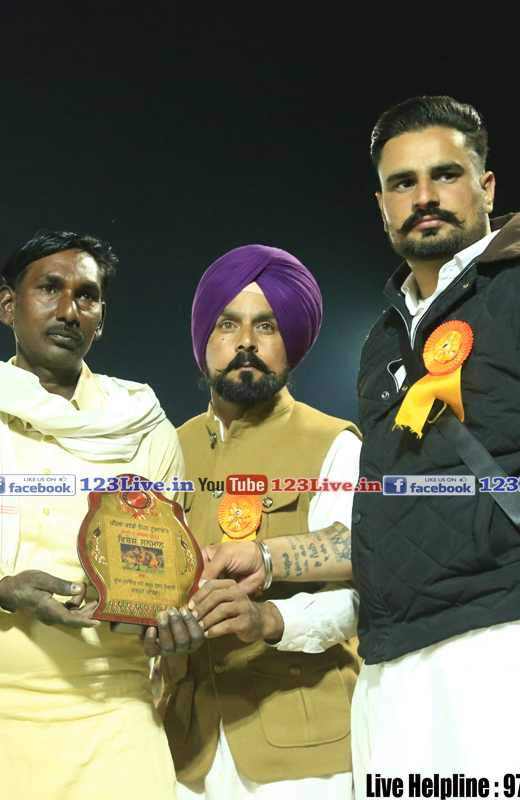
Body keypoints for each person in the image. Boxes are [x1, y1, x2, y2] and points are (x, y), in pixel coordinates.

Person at [197, 95, 520, 779]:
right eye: (402, 183)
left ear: (486, 186)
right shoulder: (383, 342)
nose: (424, 197)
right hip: (395, 681)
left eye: (445, 174)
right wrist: (267, 559)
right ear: (382, 204)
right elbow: (385, 533)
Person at [0, 231, 188, 799]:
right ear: (7, 304)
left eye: (87, 296)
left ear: (101, 318)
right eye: (49, 289)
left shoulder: (143, 428)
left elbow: (166, 584)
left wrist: (170, 625)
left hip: (114, 718)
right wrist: (2, 590)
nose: (68, 310)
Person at [163, 245, 361, 800]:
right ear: (204, 339)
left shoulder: (333, 444)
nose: (245, 341)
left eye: (267, 326)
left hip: (307, 751)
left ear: (290, 344)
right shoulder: (167, 449)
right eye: (228, 324)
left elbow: (366, 594)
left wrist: (269, 618)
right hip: (188, 751)